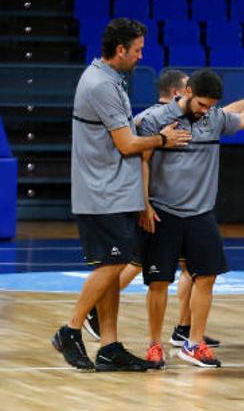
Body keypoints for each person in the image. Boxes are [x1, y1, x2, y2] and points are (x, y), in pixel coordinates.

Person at [53, 18, 191, 371]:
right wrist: (164, 139)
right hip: (101, 191)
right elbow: (128, 143)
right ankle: (70, 330)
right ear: (120, 50)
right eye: (138, 50)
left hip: (113, 190)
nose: (140, 56)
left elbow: (131, 127)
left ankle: (110, 345)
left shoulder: (109, 79)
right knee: (111, 263)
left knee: (112, 267)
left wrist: (176, 110)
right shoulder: (100, 84)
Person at [136, 70, 244, 368]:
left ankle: (194, 343)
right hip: (162, 210)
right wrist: (143, 205)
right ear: (188, 92)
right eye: (202, 105)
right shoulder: (157, 119)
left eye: (210, 106)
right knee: (159, 282)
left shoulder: (213, 119)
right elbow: (140, 161)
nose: (205, 111)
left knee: (206, 277)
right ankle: (154, 344)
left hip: (201, 213)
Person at [83, 69, 191, 342]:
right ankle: (93, 311)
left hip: (151, 200)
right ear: (177, 92)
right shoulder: (163, 120)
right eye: (189, 89)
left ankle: (185, 327)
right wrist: (144, 202)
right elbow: (141, 159)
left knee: (140, 260)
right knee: (131, 261)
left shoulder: (142, 116)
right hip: (156, 201)